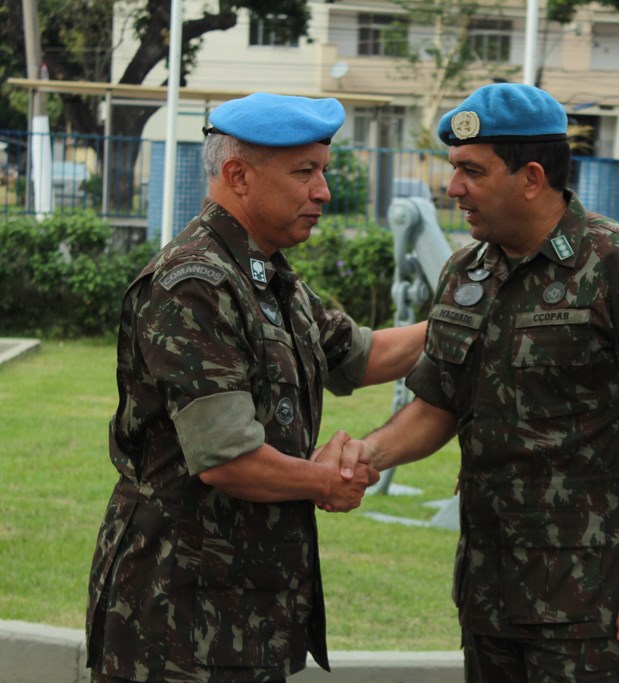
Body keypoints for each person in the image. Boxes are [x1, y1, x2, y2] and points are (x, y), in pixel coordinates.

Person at [335, 84, 619, 682]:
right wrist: (367, 454)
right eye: (454, 170)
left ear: (532, 177)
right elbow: (437, 403)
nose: (453, 188)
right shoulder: (467, 272)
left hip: (592, 604)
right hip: (489, 593)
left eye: (471, 172)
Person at [85, 92, 426, 682]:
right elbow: (229, 459)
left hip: (243, 608)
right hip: (178, 621)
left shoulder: (267, 276)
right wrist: (329, 479)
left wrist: (465, 315)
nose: (322, 191)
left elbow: (362, 356)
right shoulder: (194, 283)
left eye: (323, 171)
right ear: (239, 176)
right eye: (305, 172)